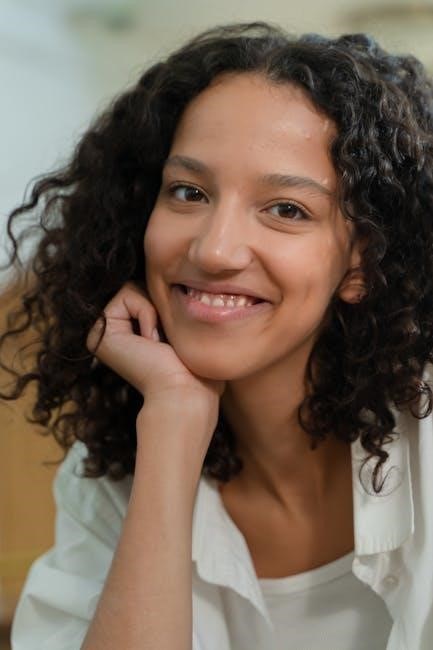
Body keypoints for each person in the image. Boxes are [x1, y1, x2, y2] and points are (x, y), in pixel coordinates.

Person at [2, 20, 433, 650]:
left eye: (286, 209)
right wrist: (174, 423)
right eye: (189, 192)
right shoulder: (111, 477)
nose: (215, 250)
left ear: (363, 263)